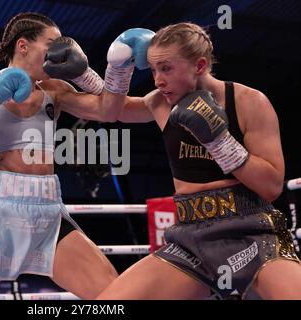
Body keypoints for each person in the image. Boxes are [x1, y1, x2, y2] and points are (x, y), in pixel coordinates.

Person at [0, 12, 147, 300]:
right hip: (0, 210)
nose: (61, 51)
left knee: (113, 295)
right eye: (52, 43)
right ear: (23, 46)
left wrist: (87, 74)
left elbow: (110, 111)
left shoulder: (55, 91)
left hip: (49, 210)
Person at [96, 22, 301, 300]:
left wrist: (219, 140)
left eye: (166, 68)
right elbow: (111, 111)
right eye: (154, 69)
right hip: (190, 242)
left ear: (200, 65)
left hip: (253, 234)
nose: (157, 80)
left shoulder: (249, 102)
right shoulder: (158, 102)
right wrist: (104, 72)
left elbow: (272, 186)